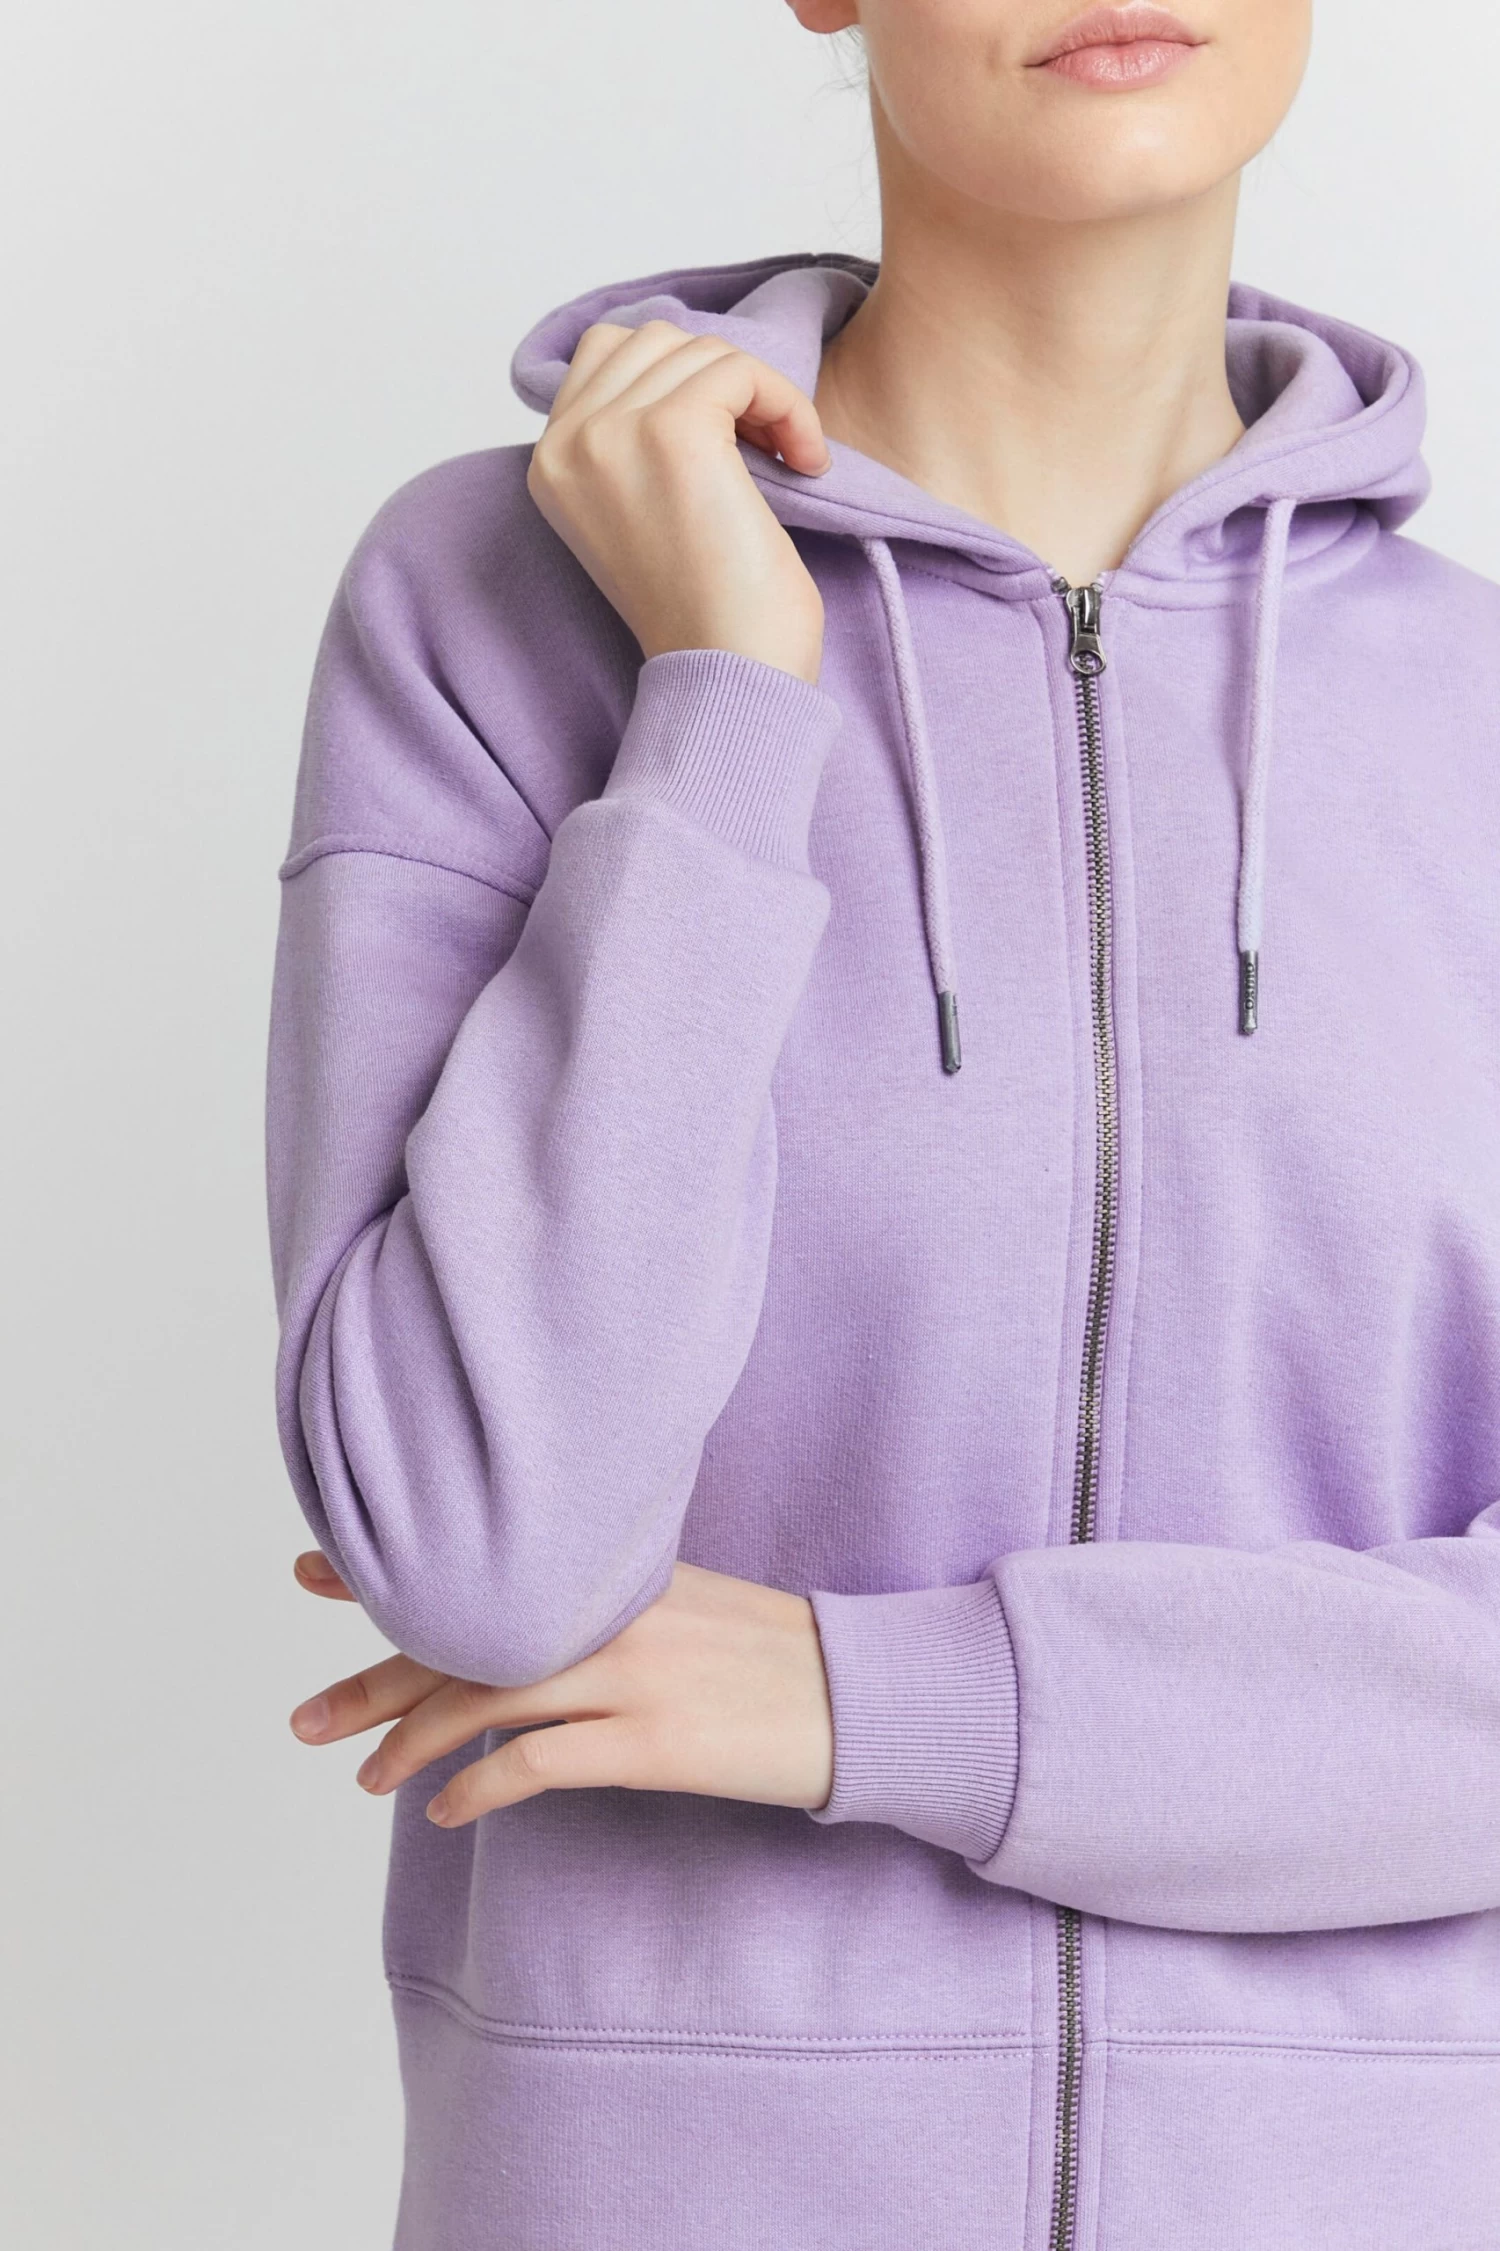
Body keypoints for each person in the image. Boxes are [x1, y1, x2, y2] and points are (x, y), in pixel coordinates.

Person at [264, 2, 1500, 2244]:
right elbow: (486, 1547)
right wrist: (723, 697)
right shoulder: (492, 610)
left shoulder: (1476, 722)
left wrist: (881, 1700)